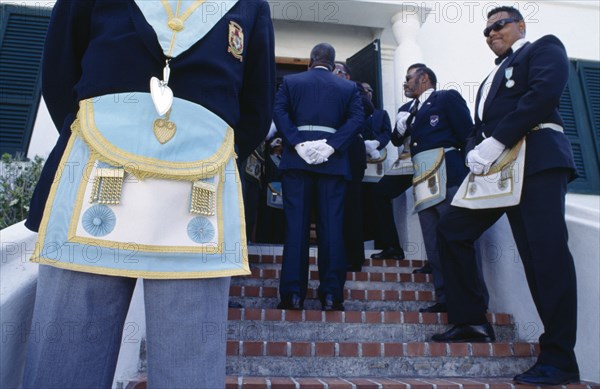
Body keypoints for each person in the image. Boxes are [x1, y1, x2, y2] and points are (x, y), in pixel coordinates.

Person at [22, 1, 275, 388]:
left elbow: (257, 103)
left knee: (189, 367)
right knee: (65, 358)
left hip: (199, 190)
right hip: (92, 173)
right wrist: (101, 135)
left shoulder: (252, 4)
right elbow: (59, 75)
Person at [432, 6, 580, 386]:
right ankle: (471, 321)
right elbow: (480, 126)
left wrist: (496, 141)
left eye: (498, 25)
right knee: (451, 227)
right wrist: (472, 149)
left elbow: (542, 95)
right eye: (486, 31)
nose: (491, 34)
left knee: (544, 256)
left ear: (520, 25)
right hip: (497, 170)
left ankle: (560, 358)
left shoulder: (544, 48)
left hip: (536, 160)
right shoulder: (489, 79)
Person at [274, 43, 363, 311]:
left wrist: (299, 143)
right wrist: (331, 146)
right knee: (332, 229)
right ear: (334, 63)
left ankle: (292, 295)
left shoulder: (290, 81)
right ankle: (331, 295)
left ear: (311, 60)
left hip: (296, 162)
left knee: (296, 229)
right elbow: (357, 119)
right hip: (332, 164)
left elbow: (279, 112)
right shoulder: (348, 87)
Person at [391, 63, 485, 313]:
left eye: (409, 78)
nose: (405, 83)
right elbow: (395, 139)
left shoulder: (446, 98)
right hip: (423, 179)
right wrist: (404, 119)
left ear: (424, 79)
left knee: (458, 239)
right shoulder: (408, 111)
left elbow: (467, 133)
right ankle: (445, 298)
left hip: (449, 174)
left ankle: (474, 302)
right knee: (433, 241)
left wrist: (471, 171)